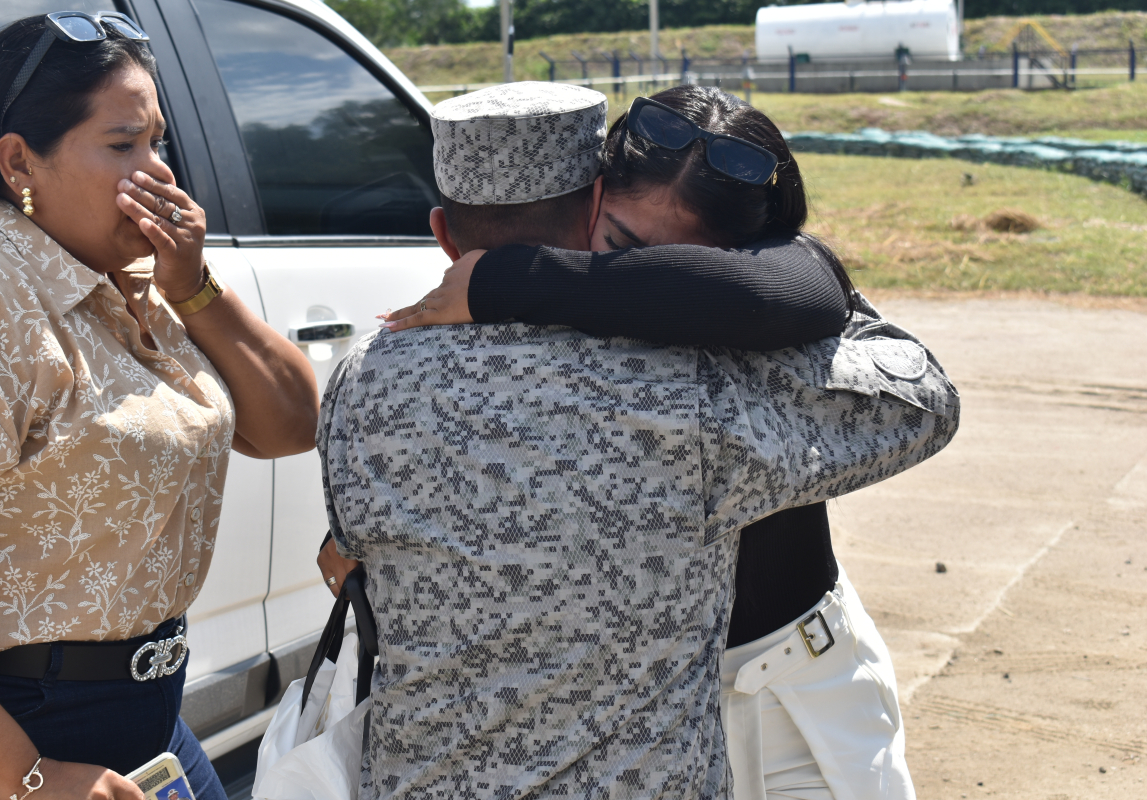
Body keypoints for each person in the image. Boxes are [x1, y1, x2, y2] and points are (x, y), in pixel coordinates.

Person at [316, 81, 959, 799]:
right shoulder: (686, 386)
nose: (652, 297)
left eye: (686, 275)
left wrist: (520, 278)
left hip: (788, 694)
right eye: (622, 253)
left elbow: (857, 337)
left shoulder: (717, 362)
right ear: (593, 198)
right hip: (661, 723)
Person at [0, 13, 319, 800]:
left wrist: (194, 284)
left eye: (158, 142)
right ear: (19, 163)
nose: (158, 175)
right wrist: (30, 779)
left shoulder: (136, 276)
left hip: (142, 716)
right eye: (122, 146)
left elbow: (288, 425)